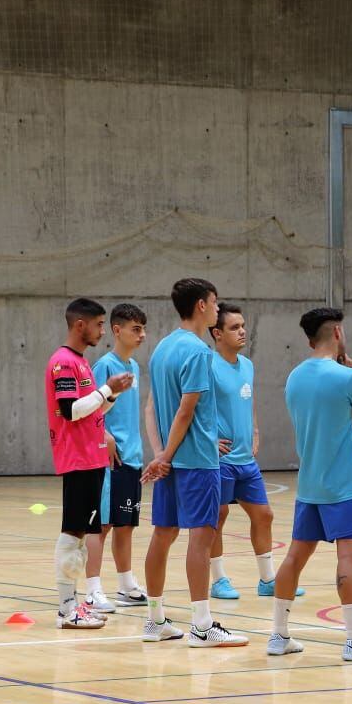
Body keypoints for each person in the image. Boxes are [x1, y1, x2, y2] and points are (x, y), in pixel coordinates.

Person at [267, 307, 352, 661]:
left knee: (295, 557)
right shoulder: (348, 377)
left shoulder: (293, 378)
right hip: (346, 485)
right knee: (350, 559)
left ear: (309, 339)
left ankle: (278, 635)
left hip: (310, 485)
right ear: (337, 332)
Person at [142, 277, 247, 648]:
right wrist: (167, 456)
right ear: (201, 305)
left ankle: (155, 620)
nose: (218, 309)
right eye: (215, 303)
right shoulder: (199, 352)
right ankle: (202, 626)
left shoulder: (160, 350)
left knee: (163, 534)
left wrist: (158, 455)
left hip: (170, 462)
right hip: (197, 462)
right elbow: (186, 412)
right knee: (200, 541)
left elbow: (151, 407)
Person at [45, 298, 133, 630]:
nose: (102, 331)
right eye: (98, 324)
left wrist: (111, 395)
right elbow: (71, 411)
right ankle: (67, 609)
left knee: (81, 537)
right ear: (80, 324)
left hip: (92, 457)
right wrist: (106, 389)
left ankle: (75, 604)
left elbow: (91, 410)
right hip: (78, 459)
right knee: (73, 533)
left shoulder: (81, 363)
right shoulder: (63, 363)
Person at [206, 303, 289, 601]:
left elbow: (249, 401)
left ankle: (267, 580)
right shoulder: (208, 366)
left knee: (264, 515)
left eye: (243, 326)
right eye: (234, 327)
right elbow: (190, 407)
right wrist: (208, 440)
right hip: (220, 459)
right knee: (218, 516)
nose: (242, 332)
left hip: (245, 459)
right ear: (217, 333)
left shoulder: (248, 365)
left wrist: (255, 429)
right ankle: (218, 581)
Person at [82, 303, 151, 613]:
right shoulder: (104, 367)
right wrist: (104, 436)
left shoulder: (134, 367)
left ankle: (126, 584)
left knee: (126, 525)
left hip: (132, 458)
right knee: (103, 525)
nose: (142, 335)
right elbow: (90, 411)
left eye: (143, 329)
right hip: (110, 460)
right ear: (117, 330)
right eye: (136, 329)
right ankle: (92, 590)